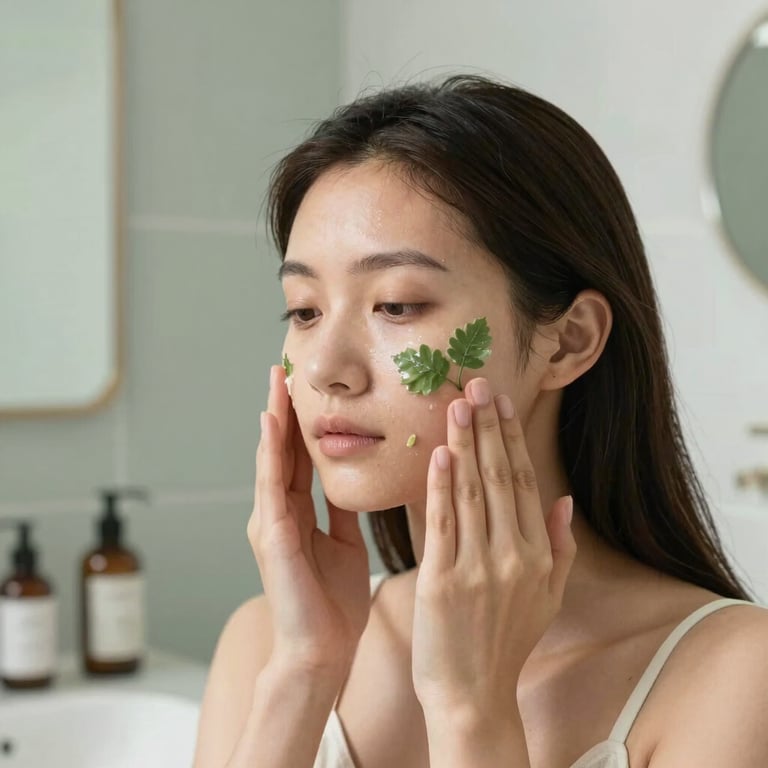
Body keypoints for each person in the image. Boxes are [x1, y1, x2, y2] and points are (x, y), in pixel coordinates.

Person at [192, 74, 768, 768]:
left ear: (571, 339)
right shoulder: (267, 646)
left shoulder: (736, 675)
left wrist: (472, 711)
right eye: (305, 310)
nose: (325, 369)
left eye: (397, 305)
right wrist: (306, 673)